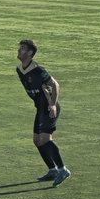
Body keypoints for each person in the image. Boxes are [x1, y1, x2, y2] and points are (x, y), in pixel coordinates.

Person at [16, 39, 70, 185]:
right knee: (37, 140)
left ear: (30, 53)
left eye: (22, 48)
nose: (18, 50)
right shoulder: (20, 69)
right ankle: (52, 170)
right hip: (40, 107)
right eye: (19, 48)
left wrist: (52, 104)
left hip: (48, 107)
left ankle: (62, 169)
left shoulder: (38, 70)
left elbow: (55, 84)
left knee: (45, 139)